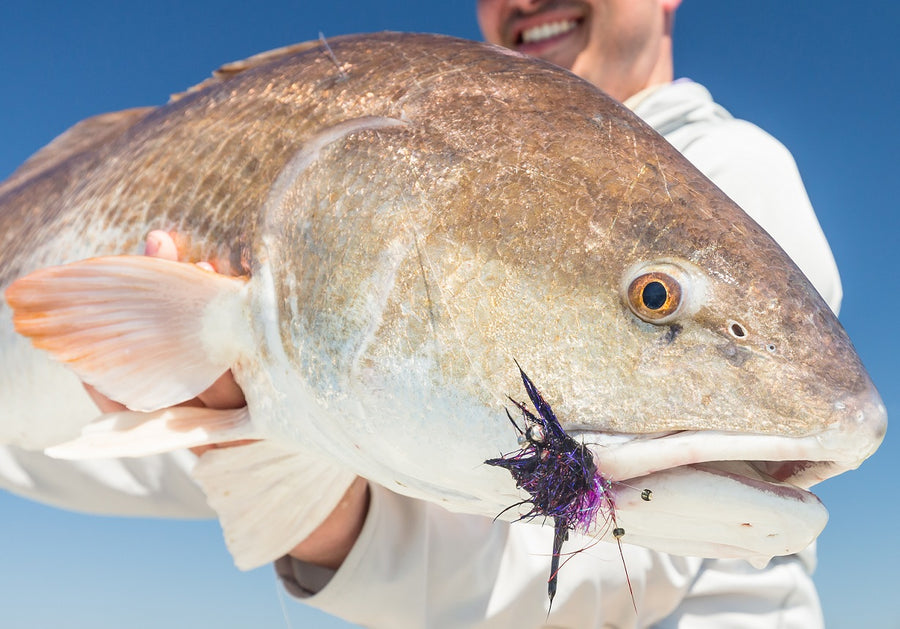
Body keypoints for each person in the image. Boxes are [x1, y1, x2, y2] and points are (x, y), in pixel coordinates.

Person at [0, 1, 841, 627]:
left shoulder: (730, 169)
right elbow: (111, 447)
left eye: (652, 296)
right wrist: (226, 411)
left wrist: (277, 469)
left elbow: (604, 580)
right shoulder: (453, 165)